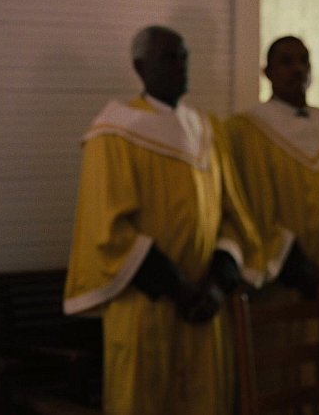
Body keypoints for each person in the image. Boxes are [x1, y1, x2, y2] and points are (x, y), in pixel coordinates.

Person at [63, 25, 265, 415]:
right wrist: (178, 288)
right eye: (169, 57)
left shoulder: (208, 130)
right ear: (140, 67)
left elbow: (232, 216)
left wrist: (217, 284)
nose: (180, 66)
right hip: (147, 304)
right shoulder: (115, 130)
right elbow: (108, 229)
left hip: (205, 305)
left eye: (184, 57)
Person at [227, 36, 319, 336]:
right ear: (267, 72)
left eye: (304, 61)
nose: (298, 69)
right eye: (286, 62)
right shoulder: (244, 132)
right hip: (281, 279)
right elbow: (245, 208)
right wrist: (298, 267)